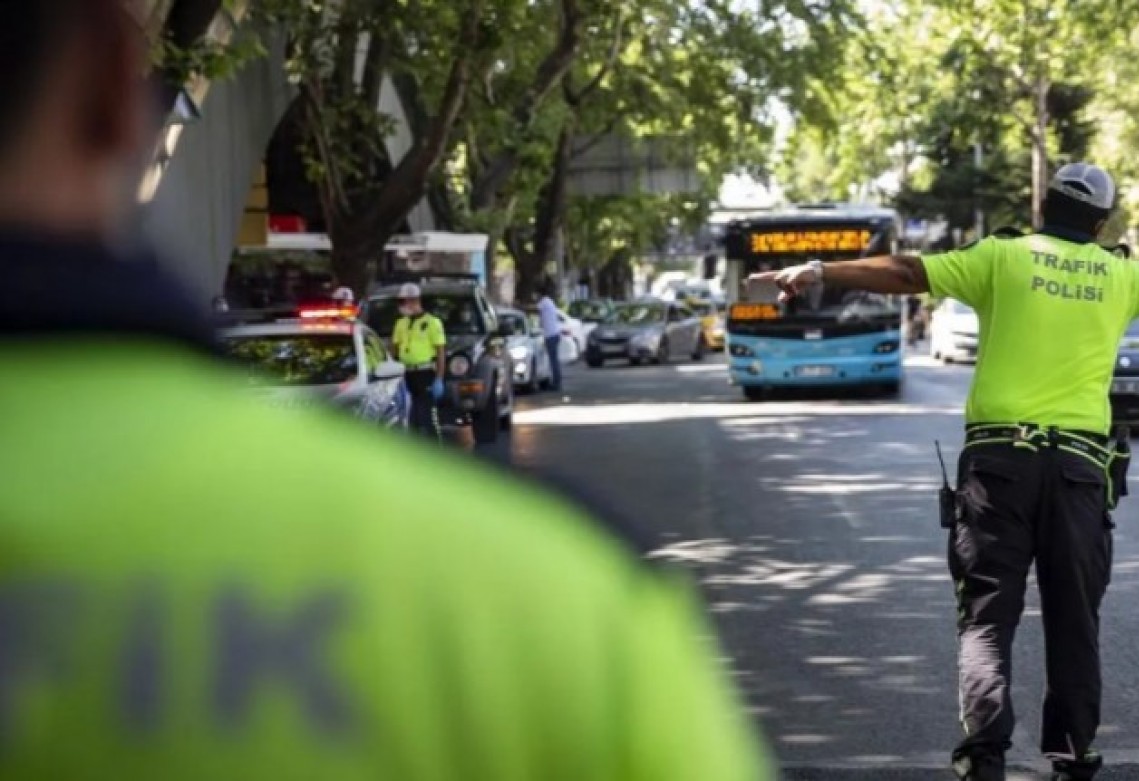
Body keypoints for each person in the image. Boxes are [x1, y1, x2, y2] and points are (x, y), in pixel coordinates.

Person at [0, 2, 769, 779]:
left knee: (446, 419)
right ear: (109, 89)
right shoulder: (555, 597)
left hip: (427, 379)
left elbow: (422, 348)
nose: (406, 306)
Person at [752, 162, 1139, 781]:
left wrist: (817, 269)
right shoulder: (1126, 274)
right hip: (1080, 471)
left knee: (986, 617)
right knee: (1075, 619)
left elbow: (905, 272)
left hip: (997, 468)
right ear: (1102, 221)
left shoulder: (1002, 256)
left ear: (1044, 204)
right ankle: (1073, 755)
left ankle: (984, 758)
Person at [390, 283, 447, 441]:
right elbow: (394, 349)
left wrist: (439, 378)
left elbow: (440, 352)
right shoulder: (400, 323)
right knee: (410, 417)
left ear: (414, 301)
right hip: (405, 374)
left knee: (428, 417)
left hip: (425, 373)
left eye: (404, 302)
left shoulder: (432, 323)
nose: (401, 306)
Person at [537, 282, 563, 391]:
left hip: (550, 335)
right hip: (554, 333)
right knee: (554, 360)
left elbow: (537, 313)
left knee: (553, 360)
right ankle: (556, 381)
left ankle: (556, 383)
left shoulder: (543, 303)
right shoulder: (550, 302)